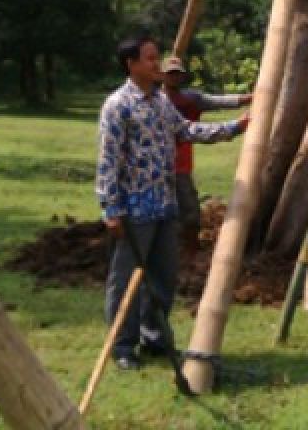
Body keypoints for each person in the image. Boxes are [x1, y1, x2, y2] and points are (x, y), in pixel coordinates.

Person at [96, 36, 248, 371]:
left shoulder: (161, 103)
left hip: (165, 206)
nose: (158, 65)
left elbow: (188, 131)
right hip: (133, 210)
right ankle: (122, 346)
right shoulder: (118, 105)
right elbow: (108, 161)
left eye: (157, 58)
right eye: (150, 59)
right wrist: (110, 209)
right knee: (126, 280)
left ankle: (155, 338)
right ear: (131, 64)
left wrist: (235, 127)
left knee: (163, 276)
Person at [160, 54, 252, 264]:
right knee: (162, 214)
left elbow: (220, 101)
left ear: (182, 77)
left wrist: (253, 97)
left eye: (177, 74)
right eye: (170, 74)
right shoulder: (154, 102)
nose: (174, 78)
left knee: (190, 211)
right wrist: (235, 127)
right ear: (162, 76)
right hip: (156, 168)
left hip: (181, 166)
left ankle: (190, 253)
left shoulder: (191, 99)